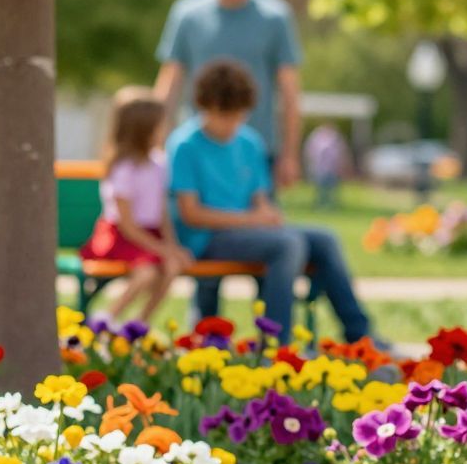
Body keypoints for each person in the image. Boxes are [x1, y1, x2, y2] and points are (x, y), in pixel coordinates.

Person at [167, 59, 378, 347]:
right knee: (287, 245)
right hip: (204, 239)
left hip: (248, 232)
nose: (230, 124)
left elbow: (259, 200)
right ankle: (276, 344)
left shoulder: (249, 142)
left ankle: (360, 335)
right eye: (222, 116)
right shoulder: (184, 145)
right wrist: (253, 220)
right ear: (204, 106)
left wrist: (268, 215)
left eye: (237, 116)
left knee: (324, 239)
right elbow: (190, 214)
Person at [155, 0, 305, 191]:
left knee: (260, 217)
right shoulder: (187, 15)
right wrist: (156, 140)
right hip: (199, 150)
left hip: (257, 150)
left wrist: (290, 153)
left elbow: (290, 91)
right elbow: (170, 82)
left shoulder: (274, 17)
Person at [82, 89, 191, 323]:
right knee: (146, 273)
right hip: (122, 236)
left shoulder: (160, 163)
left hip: (150, 235)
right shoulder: (123, 169)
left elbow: (162, 212)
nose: (165, 129)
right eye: (160, 125)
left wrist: (171, 246)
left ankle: (139, 324)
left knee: (172, 267)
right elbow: (127, 225)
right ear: (142, 129)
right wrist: (162, 250)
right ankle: (106, 319)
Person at [303, 123, 347, 210]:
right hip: (320, 168)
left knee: (332, 189)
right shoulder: (316, 137)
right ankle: (320, 205)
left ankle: (330, 205)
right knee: (321, 189)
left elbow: (341, 152)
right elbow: (310, 152)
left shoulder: (335, 138)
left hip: (332, 168)